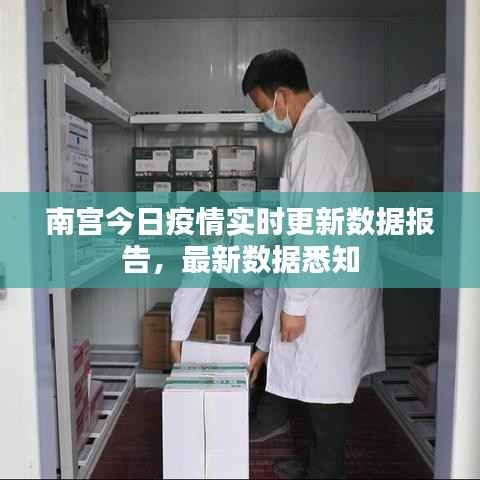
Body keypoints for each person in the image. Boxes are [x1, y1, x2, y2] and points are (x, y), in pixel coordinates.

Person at [243, 49, 386, 479]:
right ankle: (318, 462)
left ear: (282, 95)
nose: (265, 117)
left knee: (324, 389)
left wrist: (295, 305)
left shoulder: (317, 142)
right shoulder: (321, 130)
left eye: (263, 107)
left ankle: (325, 471)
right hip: (331, 284)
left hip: (327, 292)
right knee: (320, 384)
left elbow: (311, 230)